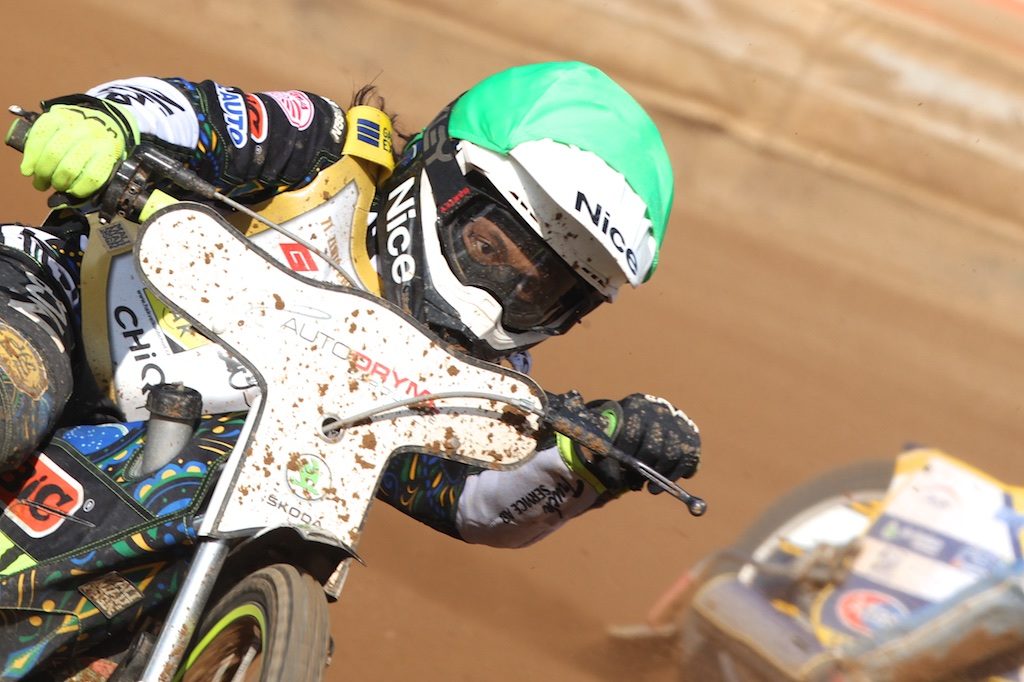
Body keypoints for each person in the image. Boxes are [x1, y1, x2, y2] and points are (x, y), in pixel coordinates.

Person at [2, 61, 701, 549]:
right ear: (444, 172)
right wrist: (105, 123)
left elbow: (466, 500)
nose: (502, 299)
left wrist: (581, 469)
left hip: (201, 470)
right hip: (61, 298)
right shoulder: (330, 152)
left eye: (542, 292)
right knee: (14, 397)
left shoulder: (472, 385)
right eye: (489, 248)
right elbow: (195, 114)